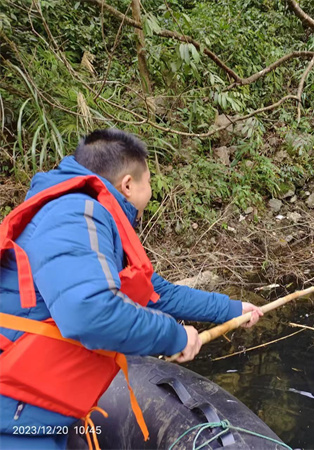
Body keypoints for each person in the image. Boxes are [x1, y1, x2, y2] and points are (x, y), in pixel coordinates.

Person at [0, 129, 263, 449]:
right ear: (128, 184)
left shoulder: (86, 217)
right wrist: (175, 336)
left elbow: (157, 294)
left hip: (34, 414)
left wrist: (232, 309)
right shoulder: (75, 214)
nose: (150, 193)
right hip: (15, 421)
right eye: (148, 182)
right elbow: (90, 312)